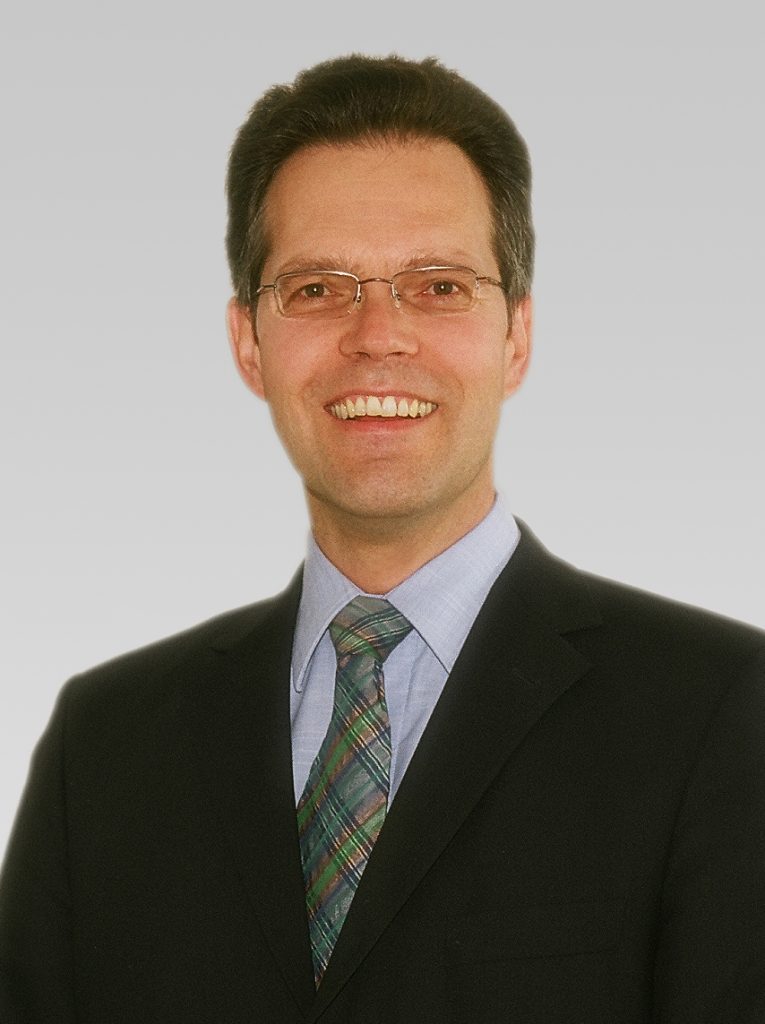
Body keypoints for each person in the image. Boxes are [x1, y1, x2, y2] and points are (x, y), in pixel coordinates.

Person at [1, 53, 763, 1024]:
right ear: (248, 344)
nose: (377, 335)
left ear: (516, 335)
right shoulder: (105, 747)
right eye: (317, 288)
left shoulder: (718, 712)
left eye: (437, 285)